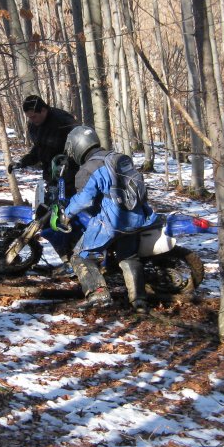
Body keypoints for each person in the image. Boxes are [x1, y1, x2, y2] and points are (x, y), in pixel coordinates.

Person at [62, 126, 158, 312]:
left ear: (78, 146)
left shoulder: (89, 168)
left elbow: (84, 199)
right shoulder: (117, 157)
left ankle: (97, 293)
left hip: (111, 222)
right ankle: (139, 301)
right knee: (129, 258)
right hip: (136, 218)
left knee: (81, 256)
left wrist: (66, 214)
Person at [7, 95, 78, 188]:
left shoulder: (63, 119)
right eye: (29, 117)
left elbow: (79, 142)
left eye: (34, 116)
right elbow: (39, 149)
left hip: (70, 173)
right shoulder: (33, 126)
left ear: (43, 110)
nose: (32, 120)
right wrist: (22, 162)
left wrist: (68, 162)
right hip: (50, 173)